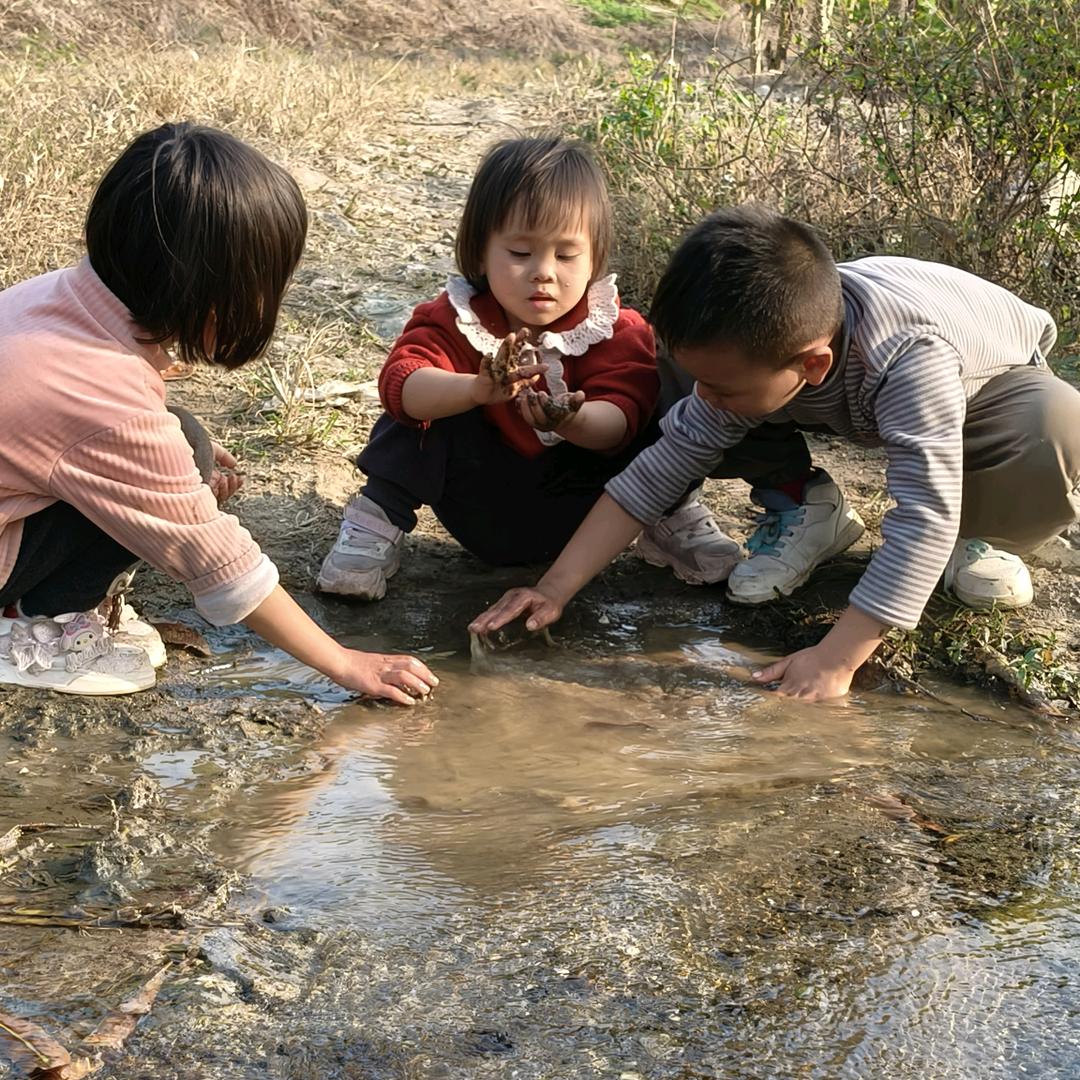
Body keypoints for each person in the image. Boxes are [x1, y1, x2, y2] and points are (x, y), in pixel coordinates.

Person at [470, 204, 1080, 701]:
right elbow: (655, 473)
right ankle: (806, 507)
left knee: (1054, 428)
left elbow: (922, 510)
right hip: (820, 382)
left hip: (989, 394)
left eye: (723, 386)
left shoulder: (909, 359)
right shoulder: (764, 341)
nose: (704, 398)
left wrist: (836, 660)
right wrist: (553, 589)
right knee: (688, 394)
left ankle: (970, 536)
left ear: (813, 365)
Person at [0, 122, 437, 704]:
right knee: (176, 458)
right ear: (207, 288)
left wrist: (176, 456)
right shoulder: (106, 400)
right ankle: (35, 629)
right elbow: (218, 562)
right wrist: (345, 662)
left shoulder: (56, 297)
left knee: (185, 437)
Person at [316, 136, 739, 600]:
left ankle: (670, 516)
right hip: (484, 506)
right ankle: (374, 527)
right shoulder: (454, 320)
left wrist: (573, 420)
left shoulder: (617, 331)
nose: (543, 272)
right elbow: (400, 385)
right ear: (480, 252)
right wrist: (473, 390)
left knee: (667, 393)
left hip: (593, 510)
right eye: (520, 253)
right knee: (421, 408)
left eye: (565, 254)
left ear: (595, 257)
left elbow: (621, 422)